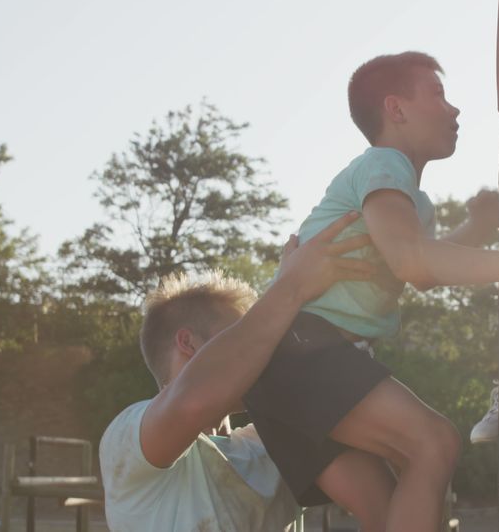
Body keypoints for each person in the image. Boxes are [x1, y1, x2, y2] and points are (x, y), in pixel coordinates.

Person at [239, 51, 499, 532]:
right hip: (304, 351)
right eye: (437, 95)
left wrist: (476, 227)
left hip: (289, 368)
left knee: (392, 512)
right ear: (395, 109)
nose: (454, 110)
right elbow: (414, 262)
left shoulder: (410, 199)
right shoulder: (383, 163)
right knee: (434, 442)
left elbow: (421, 258)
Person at [99, 212, 383, 532]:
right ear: (188, 343)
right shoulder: (126, 438)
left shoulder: (272, 442)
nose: (262, 349)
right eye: (238, 334)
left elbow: (383, 506)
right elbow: (192, 402)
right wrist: (291, 286)